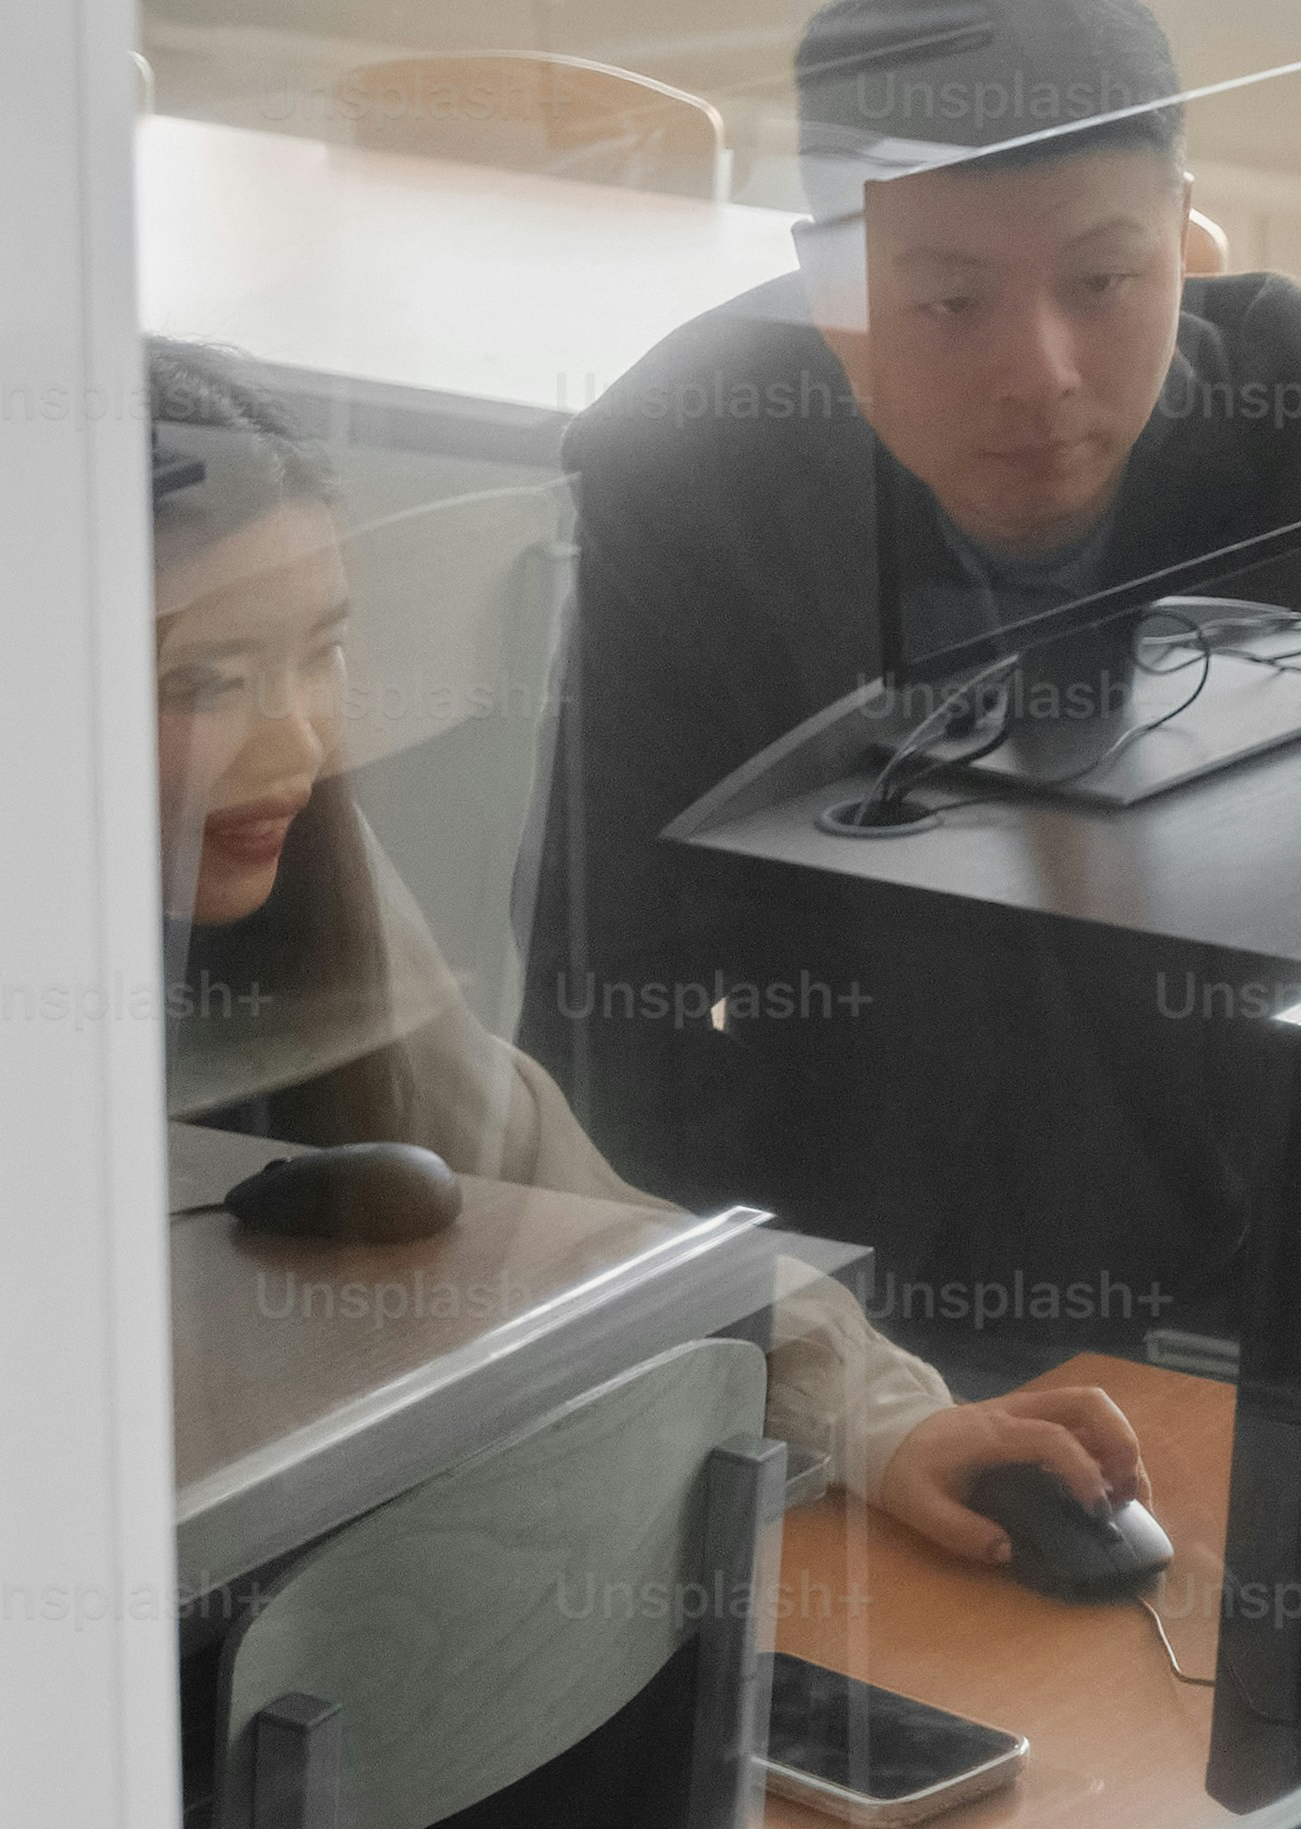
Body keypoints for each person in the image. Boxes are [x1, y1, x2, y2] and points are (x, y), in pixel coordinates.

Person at [522, 0, 1301, 1347]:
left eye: (1104, 282)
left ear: (1188, 238)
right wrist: (786, 1348)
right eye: (947, 300)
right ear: (830, 283)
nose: (1038, 374)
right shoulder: (682, 472)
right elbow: (603, 991)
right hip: (870, 1274)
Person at [153, 344, 1142, 1563]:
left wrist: (884, 1426)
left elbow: (564, 1214)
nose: (296, 738)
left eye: (320, 653)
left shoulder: (304, 857)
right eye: (205, 681)